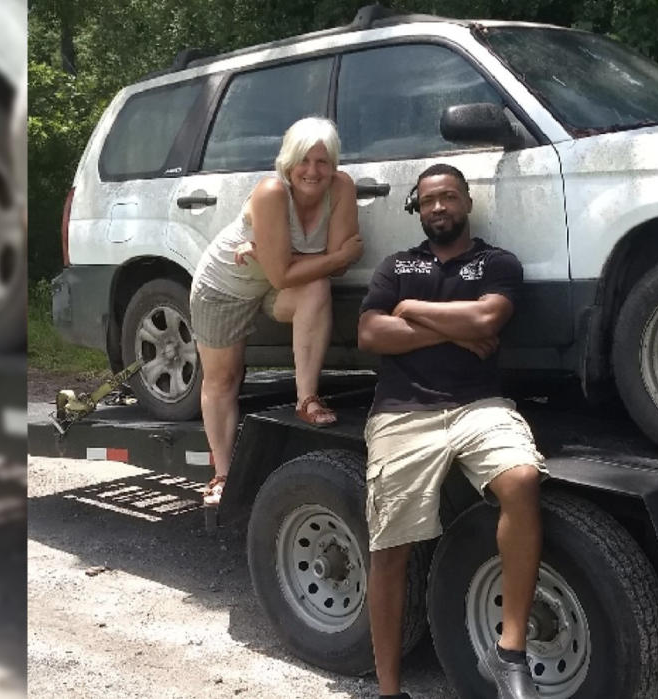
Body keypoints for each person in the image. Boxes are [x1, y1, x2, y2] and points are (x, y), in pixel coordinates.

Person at [357, 164, 546, 699]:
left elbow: (488, 321)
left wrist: (414, 310)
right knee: (389, 547)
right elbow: (371, 332)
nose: (439, 207)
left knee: (522, 480)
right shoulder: (397, 265)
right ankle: (389, 690)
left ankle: (509, 651)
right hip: (401, 412)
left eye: (448, 197)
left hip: (478, 407)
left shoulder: (495, 262)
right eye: (428, 200)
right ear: (416, 208)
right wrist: (454, 331)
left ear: (467, 201)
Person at [191, 117, 363, 507]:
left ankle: (307, 400)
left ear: (333, 163)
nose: (312, 171)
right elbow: (327, 258)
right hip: (225, 286)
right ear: (287, 162)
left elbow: (335, 268)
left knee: (316, 286)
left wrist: (285, 255)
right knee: (224, 378)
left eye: (322, 161)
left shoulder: (342, 188)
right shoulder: (271, 192)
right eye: (304, 160)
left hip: (274, 282)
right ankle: (222, 473)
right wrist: (322, 256)